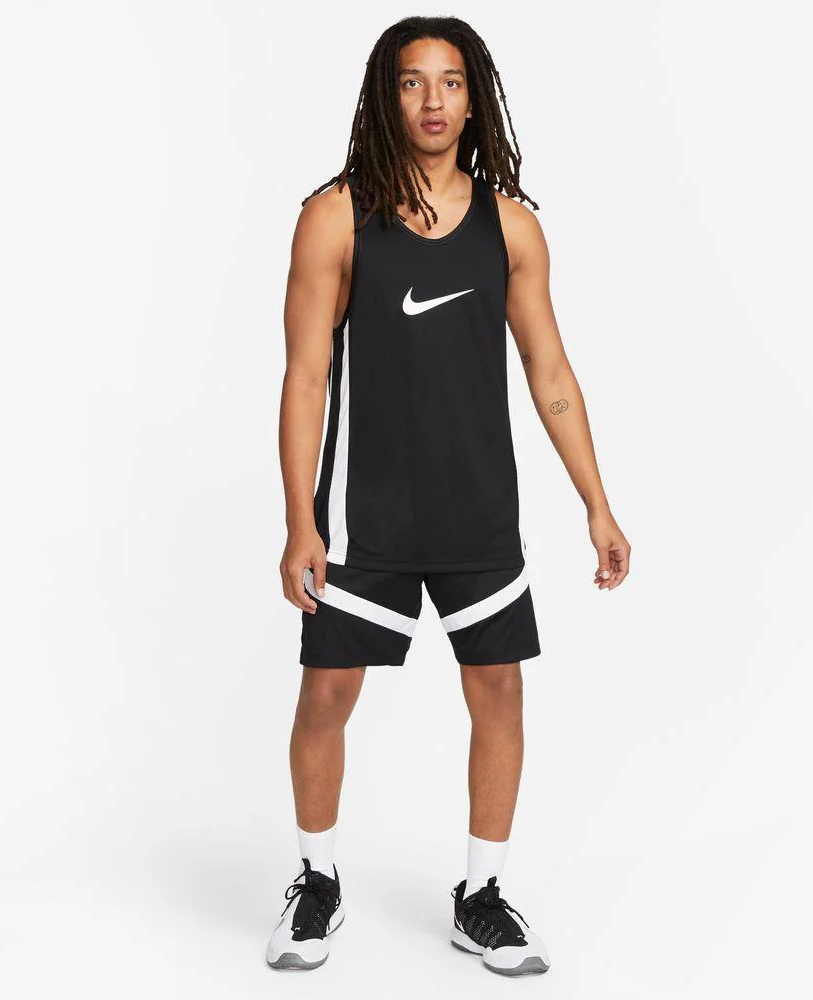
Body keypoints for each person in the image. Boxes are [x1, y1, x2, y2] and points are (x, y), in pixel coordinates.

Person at [269, 15, 631, 976]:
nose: (432, 100)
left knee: (499, 693)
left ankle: (482, 896)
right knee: (326, 695)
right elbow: (306, 377)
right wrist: (300, 520)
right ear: (384, 97)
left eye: (451, 82)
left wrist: (596, 503)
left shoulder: (511, 227)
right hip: (365, 516)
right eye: (411, 81)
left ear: (475, 101)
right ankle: (315, 882)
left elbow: (550, 370)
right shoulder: (336, 218)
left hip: (478, 510)